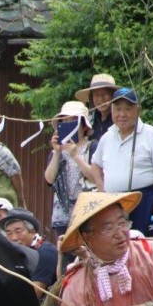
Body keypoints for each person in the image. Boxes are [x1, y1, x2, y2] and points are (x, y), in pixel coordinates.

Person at [89, 88, 153, 235]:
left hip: (145, 200)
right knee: (116, 244)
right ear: (111, 110)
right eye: (118, 109)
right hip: (113, 201)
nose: (122, 114)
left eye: (128, 109)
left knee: (142, 244)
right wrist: (102, 190)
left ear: (138, 110)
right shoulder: (107, 137)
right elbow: (95, 165)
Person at [44, 100, 100, 240]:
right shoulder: (56, 152)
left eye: (74, 120)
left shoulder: (93, 147)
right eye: (65, 121)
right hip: (62, 215)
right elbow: (49, 179)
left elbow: (96, 178)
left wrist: (76, 156)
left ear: (84, 126)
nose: (69, 124)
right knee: (67, 255)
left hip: (87, 212)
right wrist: (57, 152)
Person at [0, 208, 58, 296]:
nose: (13, 238)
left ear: (32, 232)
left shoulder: (46, 252)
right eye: (9, 233)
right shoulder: (10, 252)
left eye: (18, 231)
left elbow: (36, 293)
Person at [75, 73, 117, 143]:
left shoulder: (120, 119)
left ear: (112, 95)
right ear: (91, 97)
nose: (100, 99)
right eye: (96, 95)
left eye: (105, 94)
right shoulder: (89, 121)